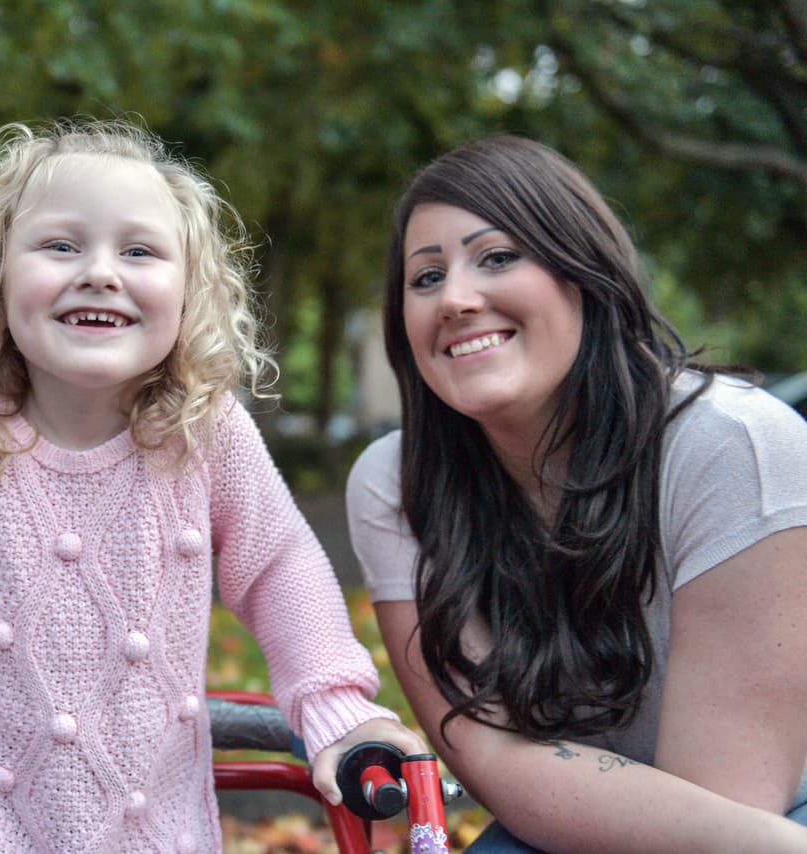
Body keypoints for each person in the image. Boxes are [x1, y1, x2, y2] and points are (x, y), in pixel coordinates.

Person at [0, 118, 425, 852]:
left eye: (139, 251)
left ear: (190, 290)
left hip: (154, 835)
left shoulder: (202, 431)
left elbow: (279, 562)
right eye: (60, 245)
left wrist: (334, 705)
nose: (99, 271)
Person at [346, 135, 807, 853]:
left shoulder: (735, 447)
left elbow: (725, 813)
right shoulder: (396, 481)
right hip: (555, 822)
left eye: (497, 257)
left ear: (584, 273)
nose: (458, 299)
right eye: (425, 277)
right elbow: (493, 756)